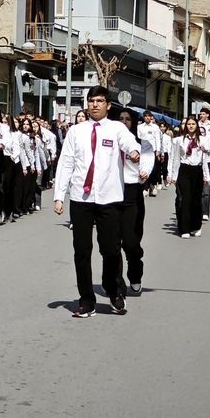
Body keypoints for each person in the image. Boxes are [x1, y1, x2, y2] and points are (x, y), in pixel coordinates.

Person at [53, 86, 140, 318]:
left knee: (111, 250)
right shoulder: (76, 131)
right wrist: (59, 196)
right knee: (81, 250)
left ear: (108, 105)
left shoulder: (116, 128)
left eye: (99, 101)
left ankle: (112, 289)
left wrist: (133, 152)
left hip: (109, 198)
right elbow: (66, 163)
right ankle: (86, 300)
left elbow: (129, 143)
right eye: (91, 100)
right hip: (81, 198)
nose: (94, 105)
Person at [116, 108, 153, 296]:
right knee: (112, 243)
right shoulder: (110, 142)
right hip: (112, 192)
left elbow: (147, 159)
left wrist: (144, 171)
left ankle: (135, 271)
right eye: (120, 119)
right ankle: (115, 284)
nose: (124, 122)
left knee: (130, 242)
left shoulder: (142, 143)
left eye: (127, 119)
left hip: (132, 193)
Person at [167, 116, 210, 239]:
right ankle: (184, 228)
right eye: (188, 124)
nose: (191, 126)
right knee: (185, 200)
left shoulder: (202, 140)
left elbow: (205, 159)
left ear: (197, 126)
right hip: (184, 170)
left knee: (196, 200)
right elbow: (175, 158)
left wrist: (207, 176)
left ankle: (196, 226)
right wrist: (172, 175)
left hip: (198, 170)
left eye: (193, 124)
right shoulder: (179, 140)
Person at [137, 111, 163, 196]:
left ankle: (153, 185)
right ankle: (145, 187)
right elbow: (138, 138)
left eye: (149, 116)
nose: (147, 118)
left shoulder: (155, 127)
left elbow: (158, 139)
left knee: (154, 169)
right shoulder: (140, 127)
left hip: (153, 150)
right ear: (143, 117)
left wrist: (158, 151)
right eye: (145, 116)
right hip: (143, 151)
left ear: (151, 117)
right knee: (143, 168)